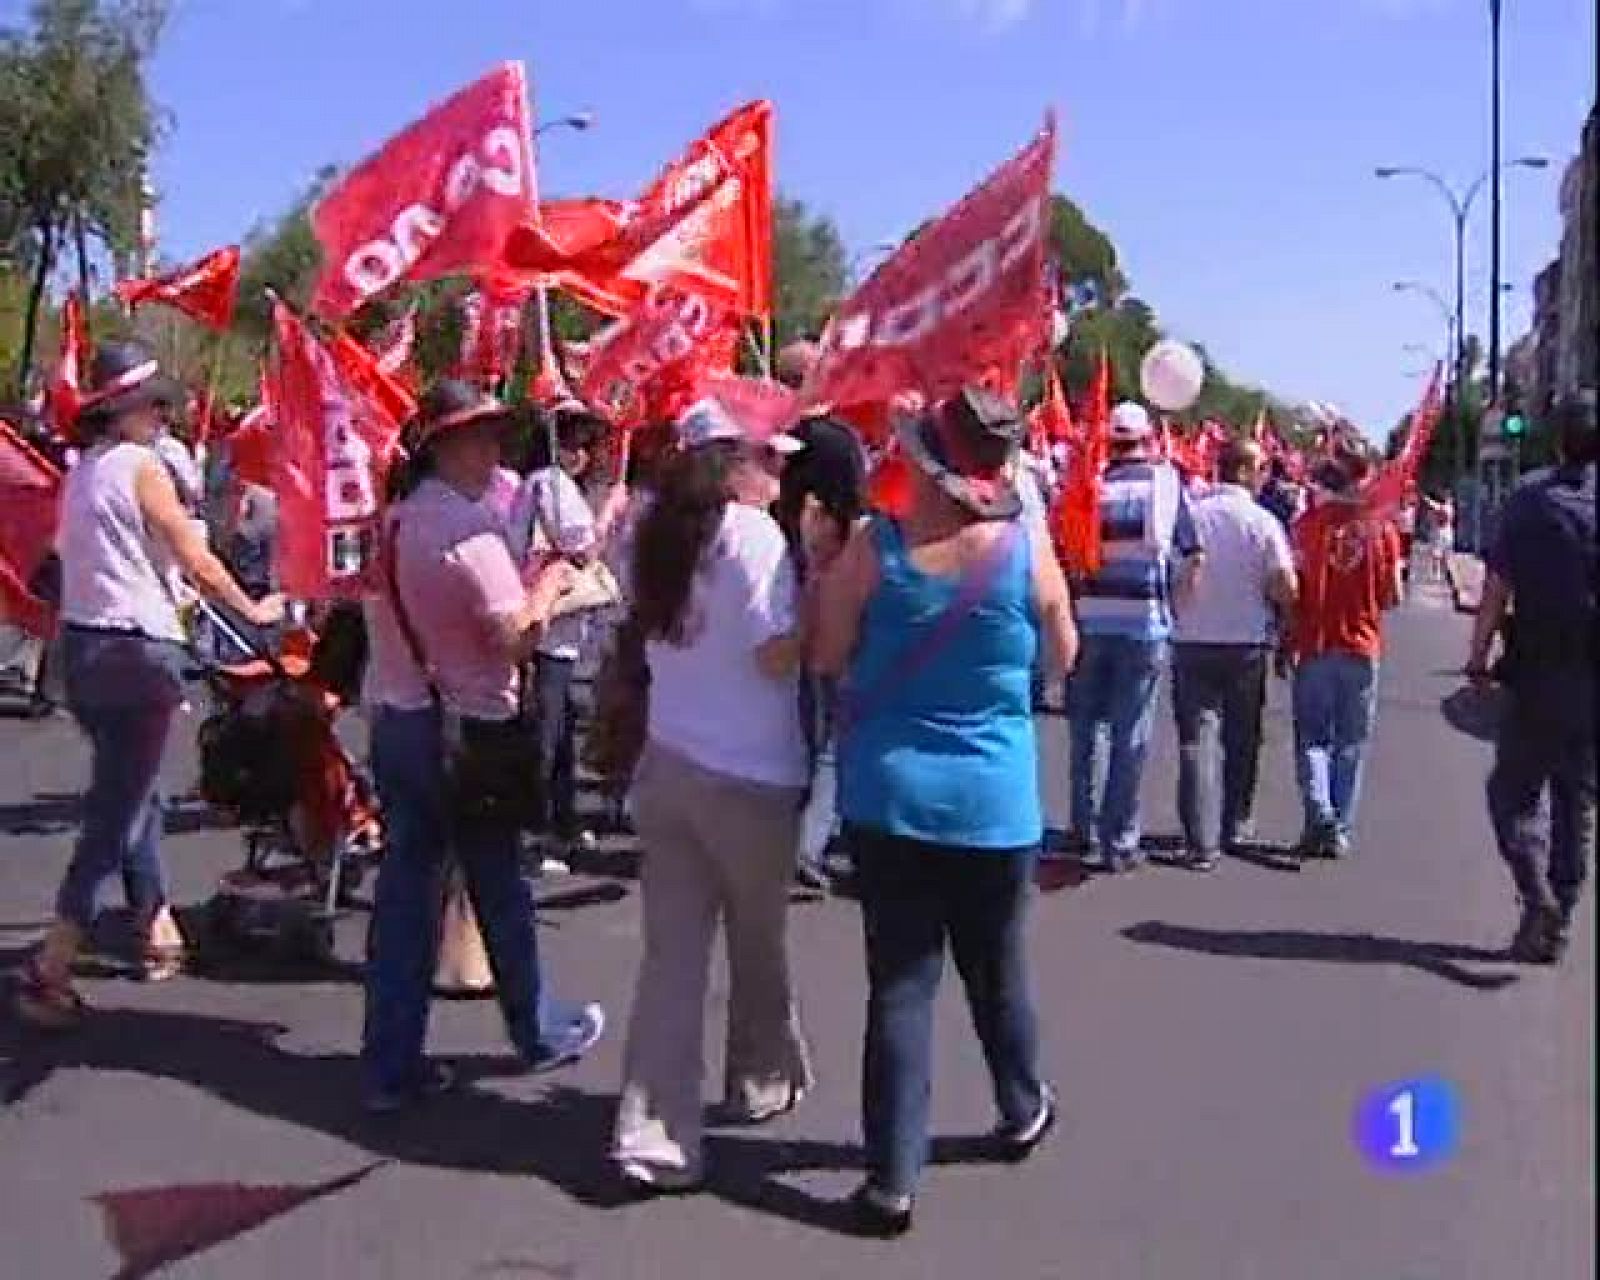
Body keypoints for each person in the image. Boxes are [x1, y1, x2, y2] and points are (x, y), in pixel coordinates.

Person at [814, 388, 1078, 1236]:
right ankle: (1021, 1104)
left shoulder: (873, 547)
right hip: (995, 802)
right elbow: (1062, 653)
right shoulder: (1023, 550)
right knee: (998, 969)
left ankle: (892, 1179)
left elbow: (826, 654)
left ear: (923, 468)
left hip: (889, 796)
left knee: (900, 985)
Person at [15, 344, 285, 1028]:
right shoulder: (140, 467)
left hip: (83, 648)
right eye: (154, 404)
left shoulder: (83, 473)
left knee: (130, 793)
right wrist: (255, 611)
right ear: (121, 410)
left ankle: (155, 922)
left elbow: (62, 562)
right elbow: (194, 556)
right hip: (136, 650)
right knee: (112, 815)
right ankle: (51, 964)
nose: (164, 414)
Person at [361, 379, 605, 1112]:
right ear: (444, 447)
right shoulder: (467, 535)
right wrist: (554, 584)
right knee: (499, 887)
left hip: (402, 718)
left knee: (407, 900)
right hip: (468, 730)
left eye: (494, 434)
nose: (492, 448)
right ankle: (533, 1031)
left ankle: (389, 1066)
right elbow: (512, 640)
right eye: (478, 435)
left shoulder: (399, 519)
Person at [611, 393, 817, 1194]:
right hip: (752, 777)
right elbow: (774, 657)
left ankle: (653, 1136)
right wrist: (823, 602)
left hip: (669, 766)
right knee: (758, 943)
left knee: (672, 961)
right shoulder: (753, 537)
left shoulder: (645, 531)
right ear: (730, 462)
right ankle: (760, 1078)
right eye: (769, 458)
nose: (779, 473)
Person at [1466, 391, 1596, 963]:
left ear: (1557, 437)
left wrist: (1478, 658)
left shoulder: (1528, 502)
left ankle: (1536, 894)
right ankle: (1559, 919)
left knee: (1510, 795)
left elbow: (1496, 590)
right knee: (1576, 803)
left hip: (1537, 673)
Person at [1064, 401, 1204, 871]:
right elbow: (1193, 553)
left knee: (1087, 730)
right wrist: (1175, 611)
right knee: (1132, 734)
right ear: (1147, 441)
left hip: (1089, 620)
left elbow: (1068, 552)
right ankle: (1118, 839)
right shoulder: (1166, 486)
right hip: (1143, 625)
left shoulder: (1088, 485)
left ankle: (1082, 829)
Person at [1170, 439, 1297, 869]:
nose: (1265, 477)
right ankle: (1234, 823)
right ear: (1244, 471)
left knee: (1196, 740)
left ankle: (1199, 839)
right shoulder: (1262, 523)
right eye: (1260, 468)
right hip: (1246, 643)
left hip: (1191, 639)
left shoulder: (1191, 515)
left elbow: (1172, 567)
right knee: (1242, 740)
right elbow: (1285, 585)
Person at [506, 402, 612, 871]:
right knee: (547, 732)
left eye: (585, 446)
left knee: (560, 727)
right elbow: (581, 546)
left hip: (552, 622)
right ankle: (536, 832)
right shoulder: (552, 484)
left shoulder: (533, 485)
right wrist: (607, 514)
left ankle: (560, 821)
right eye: (572, 444)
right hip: (551, 623)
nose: (580, 455)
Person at [1285, 445, 1404, 860]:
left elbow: (1291, 587)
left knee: (1313, 737)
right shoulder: (1382, 530)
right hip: (1362, 643)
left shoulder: (1306, 527)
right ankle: (1338, 827)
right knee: (1350, 741)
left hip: (1315, 641)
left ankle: (1319, 811)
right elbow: (1392, 596)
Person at [774, 414, 868, 892]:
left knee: (809, 735)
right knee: (834, 741)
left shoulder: (785, 515)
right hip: (837, 633)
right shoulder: (846, 525)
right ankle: (809, 841)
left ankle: (800, 833)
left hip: (797, 631)